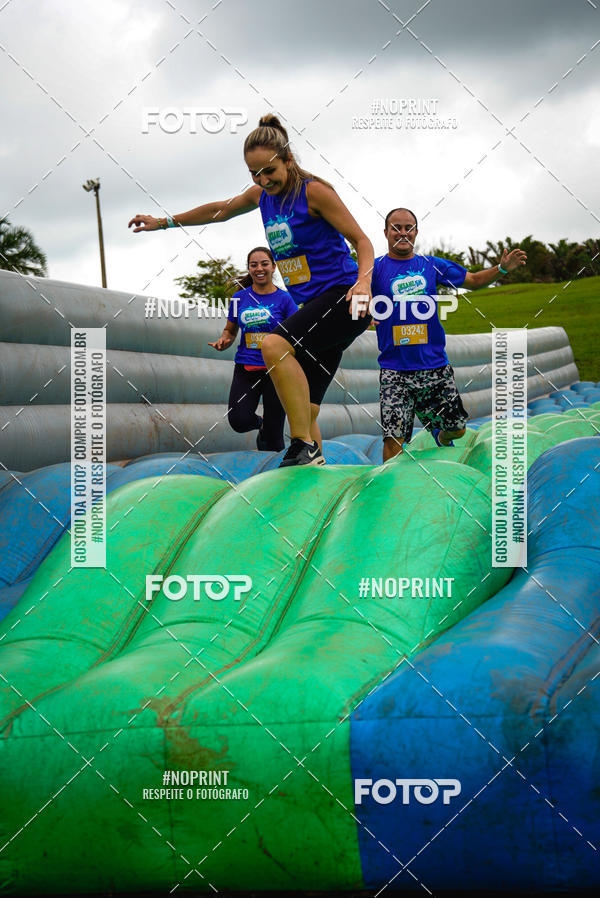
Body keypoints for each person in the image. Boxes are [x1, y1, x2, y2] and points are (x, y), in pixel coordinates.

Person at [128, 114, 373, 467]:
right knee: (305, 409)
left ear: (288, 160)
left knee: (273, 343)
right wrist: (164, 222)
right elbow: (219, 211)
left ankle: (303, 446)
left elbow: (362, 241)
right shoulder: (262, 197)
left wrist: (364, 282)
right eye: (254, 174)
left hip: (344, 298)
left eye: (269, 171)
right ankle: (318, 473)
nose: (263, 180)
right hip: (316, 308)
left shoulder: (314, 192)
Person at [372, 208, 527, 461]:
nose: (403, 232)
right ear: (386, 232)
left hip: (434, 366)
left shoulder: (431, 265)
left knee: (457, 429)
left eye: (408, 227)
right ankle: (393, 494)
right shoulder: (376, 269)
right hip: (394, 370)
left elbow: (474, 280)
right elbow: (355, 296)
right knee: (392, 440)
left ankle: (439, 435)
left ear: (416, 232)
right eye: (396, 227)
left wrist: (502, 269)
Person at [209, 246, 297, 452]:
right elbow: (230, 330)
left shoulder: (285, 299)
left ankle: (276, 477)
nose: (259, 268)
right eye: (254, 264)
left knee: (275, 439)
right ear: (249, 268)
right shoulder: (240, 298)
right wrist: (224, 340)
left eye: (264, 263)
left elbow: (296, 332)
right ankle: (262, 425)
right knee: (239, 420)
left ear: (274, 267)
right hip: (246, 368)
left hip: (277, 370)